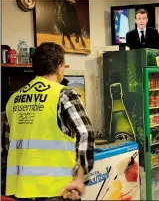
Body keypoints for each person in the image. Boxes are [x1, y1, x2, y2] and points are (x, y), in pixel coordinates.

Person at [2, 42, 95, 200]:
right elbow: (86, 133)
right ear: (59, 67)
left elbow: (6, 146)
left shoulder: (14, 99)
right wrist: (80, 178)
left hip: (20, 189)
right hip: (56, 189)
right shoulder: (64, 95)